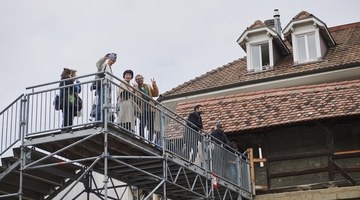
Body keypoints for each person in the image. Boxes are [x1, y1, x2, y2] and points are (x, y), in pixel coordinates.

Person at [133, 74, 159, 142]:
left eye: (140, 78)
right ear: (136, 81)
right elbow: (135, 99)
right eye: (138, 79)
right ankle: (142, 138)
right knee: (142, 124)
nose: (139, 80)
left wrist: (154, 85)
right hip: (143, 109)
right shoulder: (136, 88)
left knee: (151, 126)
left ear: (143, 79)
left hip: (151, 109)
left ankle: (150, 141)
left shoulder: (148, 86)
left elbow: (156, 94)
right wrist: (135, 91)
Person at [95, 53, 116, 123]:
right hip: (102, 85)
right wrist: (104, 58)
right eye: (112, 57)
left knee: (105, 105)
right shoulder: (104, 65)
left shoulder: (111, 69)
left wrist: (110, 95)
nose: (113, 59)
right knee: (101, 104)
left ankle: (104, 121)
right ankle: (98, 121)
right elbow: (98, 64)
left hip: (108, 88)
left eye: (115, 58)